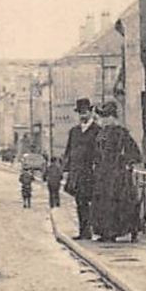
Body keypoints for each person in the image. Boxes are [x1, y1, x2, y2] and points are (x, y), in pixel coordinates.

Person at [90, 101, 141, 241]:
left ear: (113, 117)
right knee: (103, 201)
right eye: (102, 117)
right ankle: (105, 232)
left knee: (116, 201)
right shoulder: (101, 133)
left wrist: (123, 161)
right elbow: (96, 152)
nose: (104, 120)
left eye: (106, 117)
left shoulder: (121, 132)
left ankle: (115, 232)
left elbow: (135, 153)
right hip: (102, 173)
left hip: (117, 174)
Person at [61, 99, 101, 240]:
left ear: (90, 113)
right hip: (76, 173)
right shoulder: (74, 131)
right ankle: (83, 232)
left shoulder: (97, 130)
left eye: (84, 113)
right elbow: (68, 151)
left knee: (92, 203)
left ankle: (93, 230)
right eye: (80, 113)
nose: (82, 116)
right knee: (79, 203)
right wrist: (66, 170)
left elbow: (99, 152)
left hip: (90, 173)